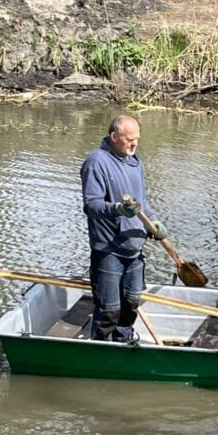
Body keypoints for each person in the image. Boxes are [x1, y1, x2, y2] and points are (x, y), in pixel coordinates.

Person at [80, 114, 168, 343]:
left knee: (131, 304)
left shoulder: (135, 162)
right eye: (129, 139)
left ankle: (124, 342)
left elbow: (142, 203)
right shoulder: (96, 162)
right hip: (108, 249)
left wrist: (154, 221)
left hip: (135, 249)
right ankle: (99, 348)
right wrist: (118, 209)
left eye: (137, 139)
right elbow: (91, 205)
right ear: (114, 137)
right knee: (109, 310)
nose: (134, 144)